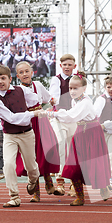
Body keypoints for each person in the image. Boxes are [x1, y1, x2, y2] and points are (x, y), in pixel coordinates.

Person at [48, 72, 111, 205]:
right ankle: (80, 196)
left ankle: (103, 185)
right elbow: (73, 116)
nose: (72, 91)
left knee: (94, 163)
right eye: (70, 88)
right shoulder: (74, 100)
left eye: (75, 88)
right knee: (74, 164)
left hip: (92, 132)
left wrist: (54, 114)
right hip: (79, 132)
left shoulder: (85, 102)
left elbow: (71, 116)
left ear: (84, 88)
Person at [0, 63, 41, 207]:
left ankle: (33, 180)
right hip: (10, 136)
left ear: (10, 79)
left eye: (3, 78)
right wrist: (33, 113)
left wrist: (44, 104)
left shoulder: (21, 90)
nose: (0, 82)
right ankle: (14, 196)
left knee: (31, 167)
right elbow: (11, 118)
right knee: (9, 164)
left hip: (27, 134)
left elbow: (35, 99)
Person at [15, 61, 60, 202]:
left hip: (41, 121)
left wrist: (54, 102)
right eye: (21, 72)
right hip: (27, 122)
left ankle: (49, 183)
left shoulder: (38, 85)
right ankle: (36, 191)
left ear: (32, 72)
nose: (24, 74)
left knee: (46, 150)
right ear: (17, 76)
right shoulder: (16, 90)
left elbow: (48, 98)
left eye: (26, 71)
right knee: (31, 156)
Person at [49, 53, 77, 195]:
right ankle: (60, 182)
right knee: (61, 146)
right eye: (64, 65)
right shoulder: (56, 80)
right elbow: (54, 96)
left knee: (74, 149)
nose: (67, 67)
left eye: (69, 65)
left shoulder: (78, 80)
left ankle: (74, 183)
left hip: (73, 118)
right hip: (59, 117)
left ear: (74, 66)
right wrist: (53, 101)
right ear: (61, 66)